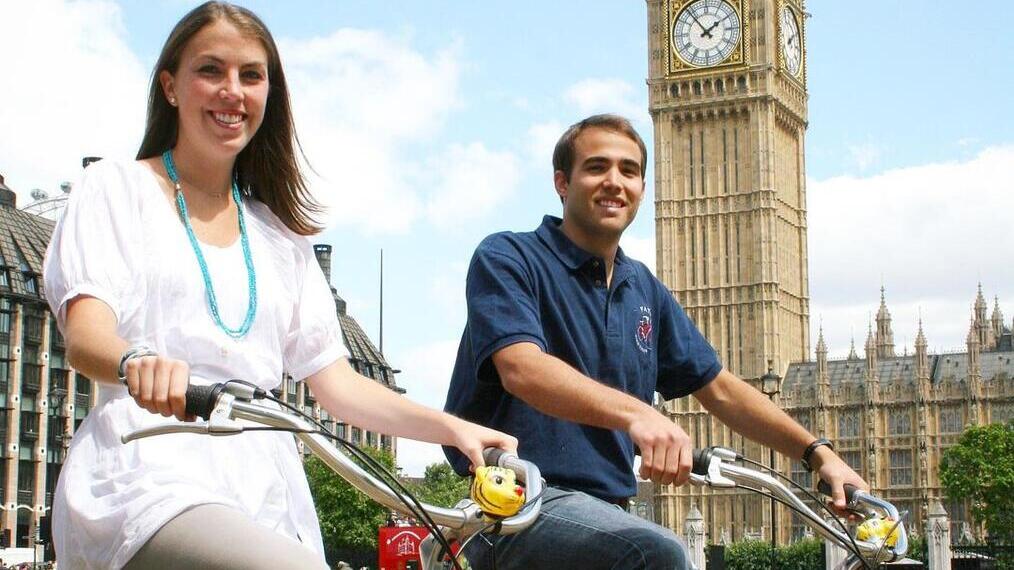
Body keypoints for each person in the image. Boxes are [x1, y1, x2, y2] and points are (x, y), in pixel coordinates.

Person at [43, 3, 516, 569]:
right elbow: (86, 335)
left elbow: (338, 386)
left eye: (251, 75)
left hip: (263, 485)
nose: (232, 91)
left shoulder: (280, 236)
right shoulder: (114, 188)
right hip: (147, 463)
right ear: (170, 86)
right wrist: (137, 361)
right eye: (210, 70)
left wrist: (453, 428)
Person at [443, 114, 867, 569]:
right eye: (597, 167)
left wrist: (817, 454)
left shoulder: (642, 288)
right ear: (562, 183)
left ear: (642, 189)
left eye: (628, 171)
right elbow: (522, 368)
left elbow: (721, 389)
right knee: (659, 552)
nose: (614, 181)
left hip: (608, 516)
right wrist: (640, 415)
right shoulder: (509, 257)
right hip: (514, 508)